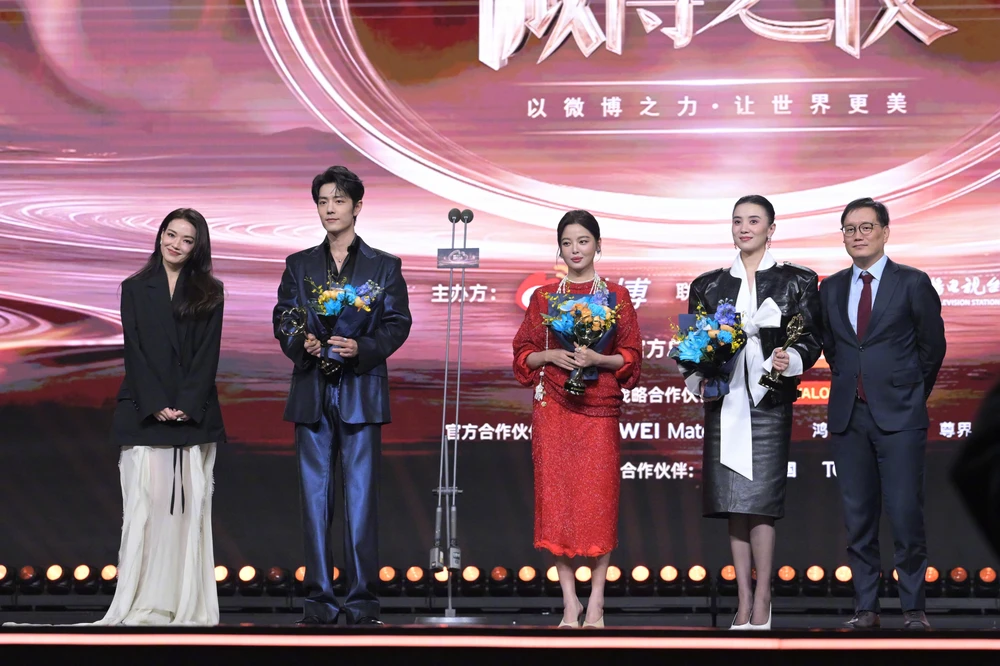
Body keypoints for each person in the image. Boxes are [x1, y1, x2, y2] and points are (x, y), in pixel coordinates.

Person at [273, 166, 412, 626]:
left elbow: (397, 323)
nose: (330, 209)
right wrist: (302, 342)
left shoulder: (383, 265)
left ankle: (361, 602)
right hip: (312, 389)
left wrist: (362, 348)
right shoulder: (299, 264)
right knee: (315, 501)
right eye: (323, 201)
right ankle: (319, 600)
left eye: (338, 200)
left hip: (360, 390)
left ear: (357, 206)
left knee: (361, 501)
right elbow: (284, 317)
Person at [683, 195, 821, 630]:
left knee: (760, 502)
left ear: (770, 229)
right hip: (726, 400)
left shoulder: (798, 280)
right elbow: (694, 345)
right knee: (734, 502)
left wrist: (790, 358)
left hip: (768, 400)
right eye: (738, 221)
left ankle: (764, 596)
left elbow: (811, 337)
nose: (744, 228)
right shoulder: (707, 285)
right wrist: (701, 369)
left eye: (754, 221)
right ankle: (742, 599)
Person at [820, 197, 946, 631]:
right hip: (848, 416)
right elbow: (834, 348)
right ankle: (865, 607)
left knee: (906, 513)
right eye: (849, 229)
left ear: (885, 232)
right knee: (858, 517)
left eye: (866, 227)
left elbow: (932, 348)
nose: (857, 236)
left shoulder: (912, 282)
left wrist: (908, 393)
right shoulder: (831, 287)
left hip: (900, 417)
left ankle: (913, 608)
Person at [512, 210, 641, 629]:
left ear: (598, 246)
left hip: (598, 409)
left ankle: (597, 601)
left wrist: (597, 359)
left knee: (598, 503)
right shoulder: (543, 297)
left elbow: (632, 358)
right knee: (558, 504)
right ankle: (570, 603)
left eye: (583, 241)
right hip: (554, 409)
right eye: (567, 243)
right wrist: (551, 354)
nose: (575, 250)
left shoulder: (618, 296)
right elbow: (522, 354)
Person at [104, 207, 226, 625]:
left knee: (188, 512)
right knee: (147, 508)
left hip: (194, 414)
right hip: (144, 411)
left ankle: (184, 603)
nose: (176, 244)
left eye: (186, 240)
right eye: (171, 235)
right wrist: (156, 402)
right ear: (159, 236)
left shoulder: (210, 291)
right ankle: (144, 601)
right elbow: (133, 351)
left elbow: (208, 355)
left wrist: (186, 405)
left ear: (197, 247)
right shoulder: (135, 288)